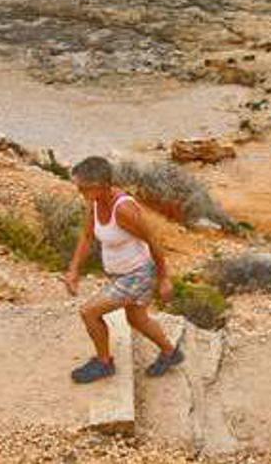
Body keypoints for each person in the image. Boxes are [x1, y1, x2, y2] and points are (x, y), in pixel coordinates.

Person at [65, 156, 183, 384]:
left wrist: (164, 278)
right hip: (122, 274)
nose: (79, 191)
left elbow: (153, 241)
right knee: (137, 319)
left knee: (89, 312)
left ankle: (104, 363)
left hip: (138, 274)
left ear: (100, 185)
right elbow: (88, 236)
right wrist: (74, 270)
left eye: (82, 187)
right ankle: (170, 352)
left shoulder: (124, 210)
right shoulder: (95, 201)